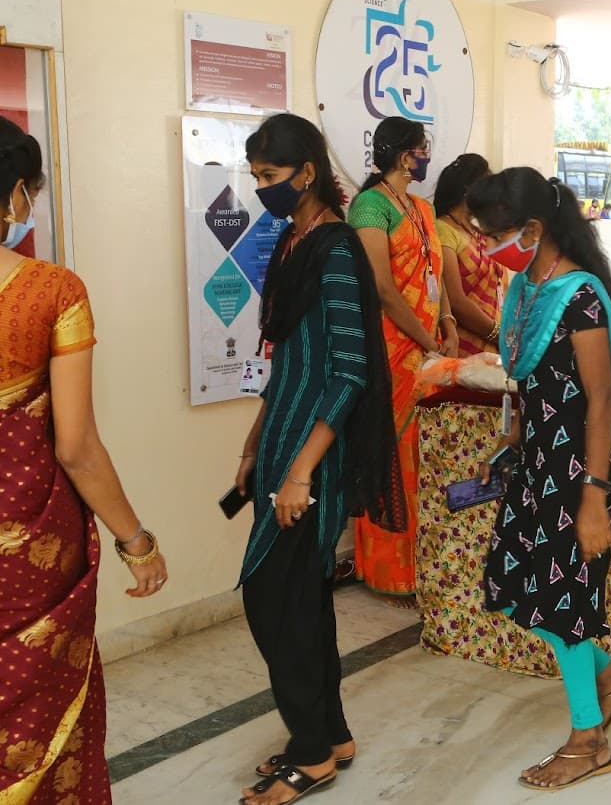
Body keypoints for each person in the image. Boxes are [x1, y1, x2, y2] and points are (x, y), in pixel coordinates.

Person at [470, 168, 611, 791]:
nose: (486, 246)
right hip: (536, 464)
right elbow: (531, 383)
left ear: (535, 229)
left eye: (495, 234)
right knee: (511, 585)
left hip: (579, 472)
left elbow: (601, 400)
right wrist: (512, 438)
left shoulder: (580, 295)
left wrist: (593, 499)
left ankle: (590, 740)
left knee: (563, 606)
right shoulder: (525, 289)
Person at [233, 113, 405, 805]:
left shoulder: (334, 248)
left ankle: (310, 752)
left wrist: (301, 469)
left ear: (305, 171)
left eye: (270, 177)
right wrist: (254, 442)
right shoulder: (291, 239)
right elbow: (288, 361)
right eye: (255, 179)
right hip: (282, 440)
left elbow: (350, 372)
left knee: (274, 599)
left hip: (315, 450)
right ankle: (330, 734)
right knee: (298, 598)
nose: (262, 190)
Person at [0, 116, 168, 804]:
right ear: (14, 195)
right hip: (29, 542)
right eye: (30, 195)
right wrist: (137, 539)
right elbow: (75, 444)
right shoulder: (51, 291)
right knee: (43, 706)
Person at [349, 117, 457, 600]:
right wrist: (425, 339)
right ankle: (389, 572)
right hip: (392, 349)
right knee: (392, 453)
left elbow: (435, 269)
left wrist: (448, 323)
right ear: (400, 153)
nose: (425, 156)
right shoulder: (369, 206)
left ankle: (426, 566)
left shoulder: (423, 208)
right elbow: (381, 288)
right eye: (420, 148)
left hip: (430, 346)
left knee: (426, 455)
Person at [435, 153, 502, 357]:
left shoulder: (480, 231)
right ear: (468, 188)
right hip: (464, 345)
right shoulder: (443, 228)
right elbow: (455, 300)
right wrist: (498, 335)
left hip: (497, 347)